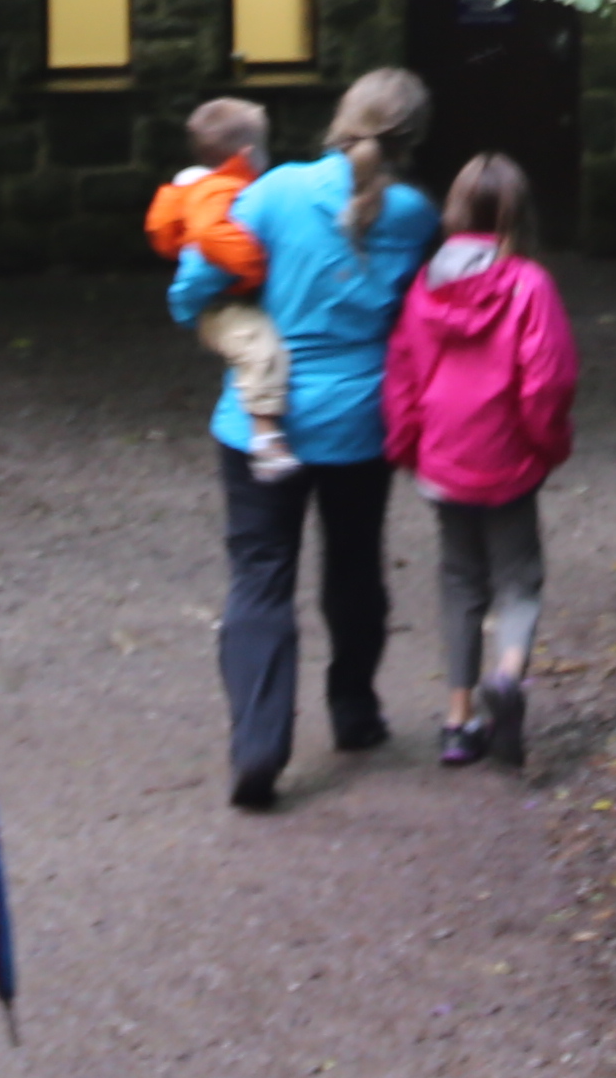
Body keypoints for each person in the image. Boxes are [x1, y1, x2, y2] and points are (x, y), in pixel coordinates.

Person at [170, 61, 439, 809]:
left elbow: (193, 284)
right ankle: (354, 711)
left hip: (261, 420)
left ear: (340, 118)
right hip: (359, 423)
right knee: (354, 568)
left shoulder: (273, 191)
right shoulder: (415, 214)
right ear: (413, 139)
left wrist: (220, 306)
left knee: (260, 575)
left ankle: (258, 746)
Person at [386, 146, 582, 768]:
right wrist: (545, 444)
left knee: (459, 581)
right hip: (507, 457)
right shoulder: (530, 284)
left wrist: (409, 446)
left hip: (444, 455)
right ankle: (508, 672)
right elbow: (545, 380)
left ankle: (457, 717)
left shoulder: (427, 285)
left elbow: (405, 374)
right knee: (518, 579)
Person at [146, 95, 295, 474]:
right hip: (221, 305)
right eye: (263, 149)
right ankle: (265, 439)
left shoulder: (207, 184)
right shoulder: (219, 189)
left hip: (222, 301)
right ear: (246, 153)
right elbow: (210, 235)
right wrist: (255, 264)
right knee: (263, 353)